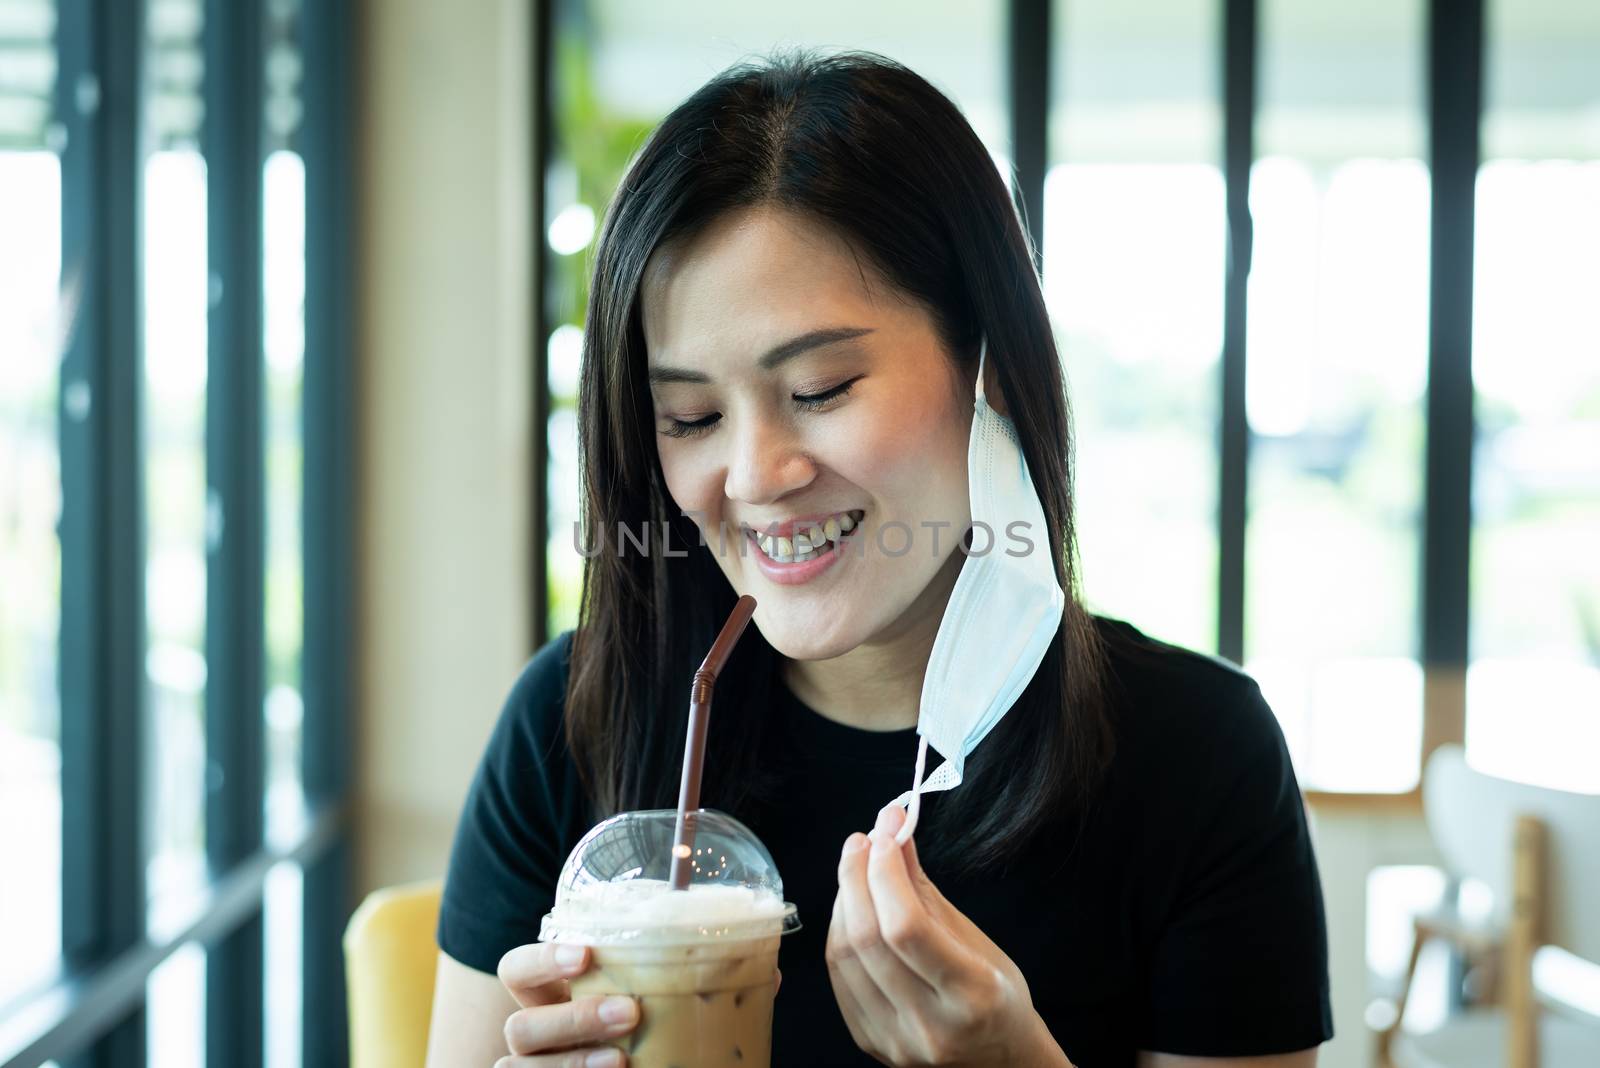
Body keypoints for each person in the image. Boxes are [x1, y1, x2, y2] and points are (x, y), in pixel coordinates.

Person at [425, 50, 1332, 1068]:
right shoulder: (574, 721)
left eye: (818, 389)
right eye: (690, 416)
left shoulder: (1197, 758)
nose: (756, 474)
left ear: (983, 365)